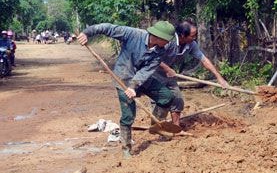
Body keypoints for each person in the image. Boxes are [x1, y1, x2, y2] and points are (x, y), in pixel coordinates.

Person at [77, 21, 176, 158]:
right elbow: (107, 28)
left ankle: (156, 126)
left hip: (142, 80)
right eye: (167, 40)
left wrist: (134, 86)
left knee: (166, 96)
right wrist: (87, 33)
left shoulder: (161, 50)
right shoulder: (133, 34)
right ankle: (126, 148)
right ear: (158, 37)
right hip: (123, 78)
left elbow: (147, 70)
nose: (168, 43)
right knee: (128, 115)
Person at [151, 20, 229, 129]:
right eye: (193, 35)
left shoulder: (191, 44)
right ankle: (157, 127)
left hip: (169, 75)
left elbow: (204, 59)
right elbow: (153, 57)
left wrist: (219, 77)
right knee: (163, 101)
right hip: (154, 74)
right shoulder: (168, 41)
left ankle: (175, 128)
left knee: (178, 100)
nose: (195, 37)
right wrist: (167, 69)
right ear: (183, 35)